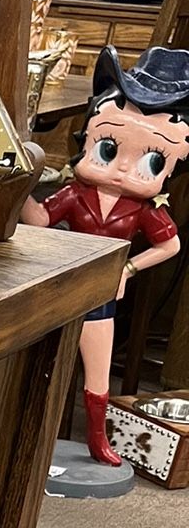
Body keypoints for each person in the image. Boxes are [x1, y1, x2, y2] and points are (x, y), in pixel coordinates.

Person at [24, 44, 189, 465]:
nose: (120, 169)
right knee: (36, 363)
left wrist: (128, 268)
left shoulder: (142, 210)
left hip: (100, 297)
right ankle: (28, 438)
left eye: (152, 161)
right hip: (60, 283)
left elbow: (170, 245)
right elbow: (40, 219)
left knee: (96, 373)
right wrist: (20, 185)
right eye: (109, 149)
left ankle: (98, 439)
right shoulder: (75, 193)